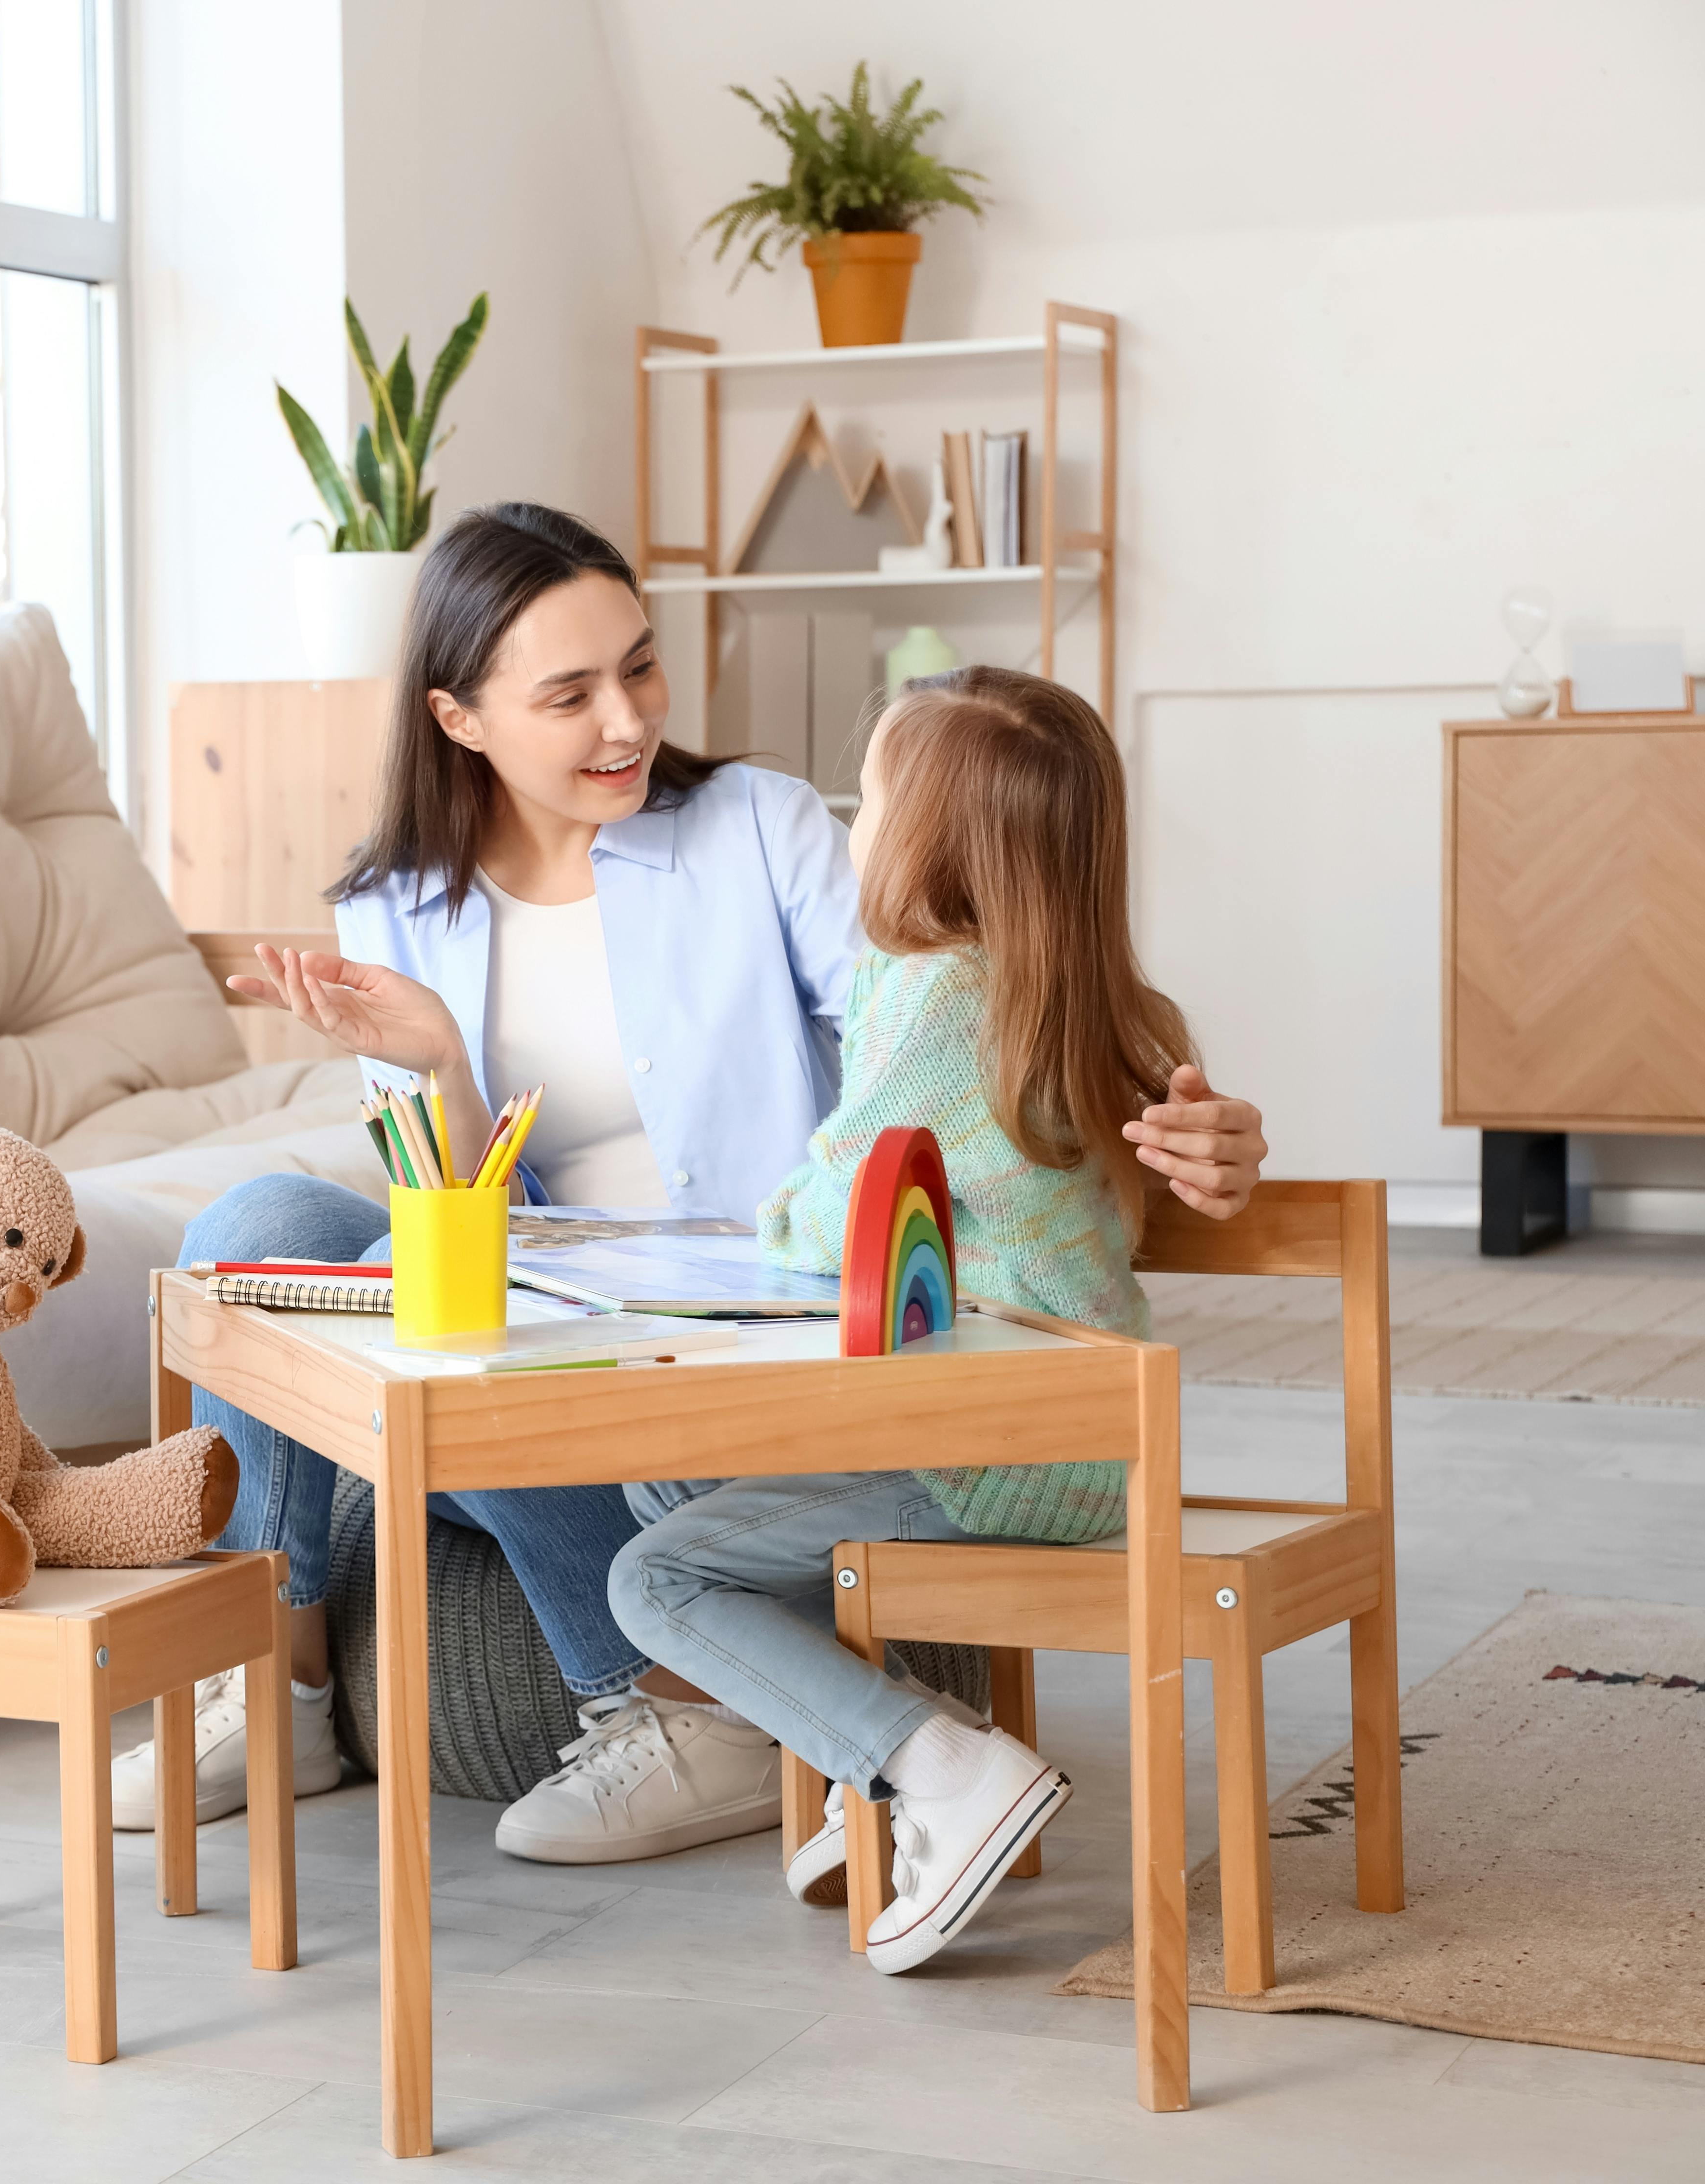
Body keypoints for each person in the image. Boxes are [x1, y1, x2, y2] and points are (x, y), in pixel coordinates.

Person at [108, 503, 1272, 1864]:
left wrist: (1191, 1127)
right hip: (556, 1295)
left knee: (412, 1306)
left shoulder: (757, 825)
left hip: (751, 1323)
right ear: (461, 718)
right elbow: (458, 1201)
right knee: (260, 1230)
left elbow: (968, 1022)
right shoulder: (396, 903)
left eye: (640, 667)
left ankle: (673, 1705)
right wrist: (435, 1063)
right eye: (569, 694)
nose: (629, 720)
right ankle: (282, 1685)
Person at [607, 664, 1188, 1971]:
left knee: (657, 1574)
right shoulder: (1079, 993)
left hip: (997, 1453)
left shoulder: (940, 999)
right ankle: (864, 1754)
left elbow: (830, 1216)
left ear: (931, 842)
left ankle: (938, 1768)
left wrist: (767, 1223)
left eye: (870, 797)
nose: (851, 819)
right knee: (663, 1471)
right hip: (1060, 1435)